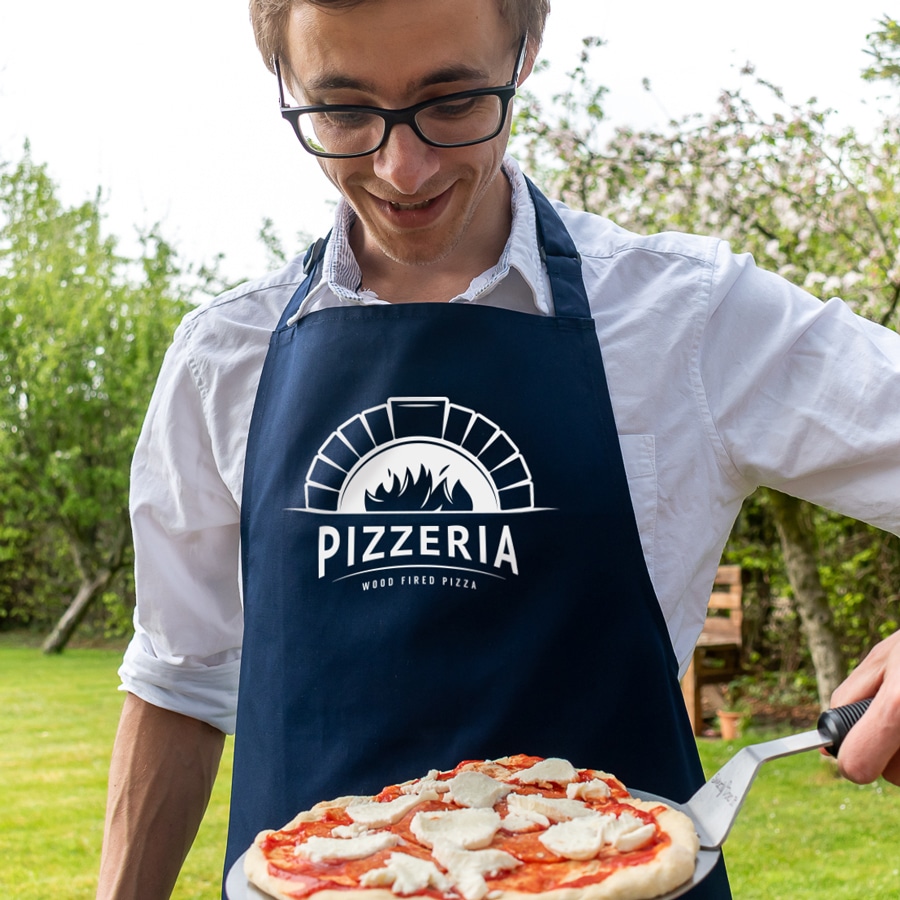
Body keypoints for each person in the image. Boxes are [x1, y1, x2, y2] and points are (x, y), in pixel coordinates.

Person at [97, 0, 900, 897]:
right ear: (283, 83)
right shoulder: (222, 356)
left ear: (526, 49)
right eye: (343, 112)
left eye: (451, 101)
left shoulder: (687, 315)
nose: (402, 168)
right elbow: (176, 685)